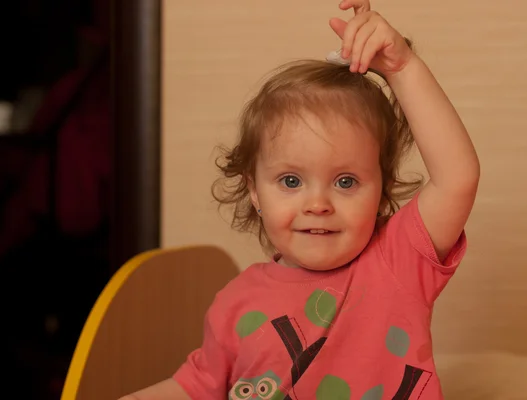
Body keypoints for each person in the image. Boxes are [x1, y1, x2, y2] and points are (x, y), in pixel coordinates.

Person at [121, 0, 479, 398]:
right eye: (291, 180)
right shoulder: (236, 303)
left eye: (345, 181)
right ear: (255, 191)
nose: (318, 204)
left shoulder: (396, 262)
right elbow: (195, 387)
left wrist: (403, 69)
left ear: (381, 190)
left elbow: (457, 178)